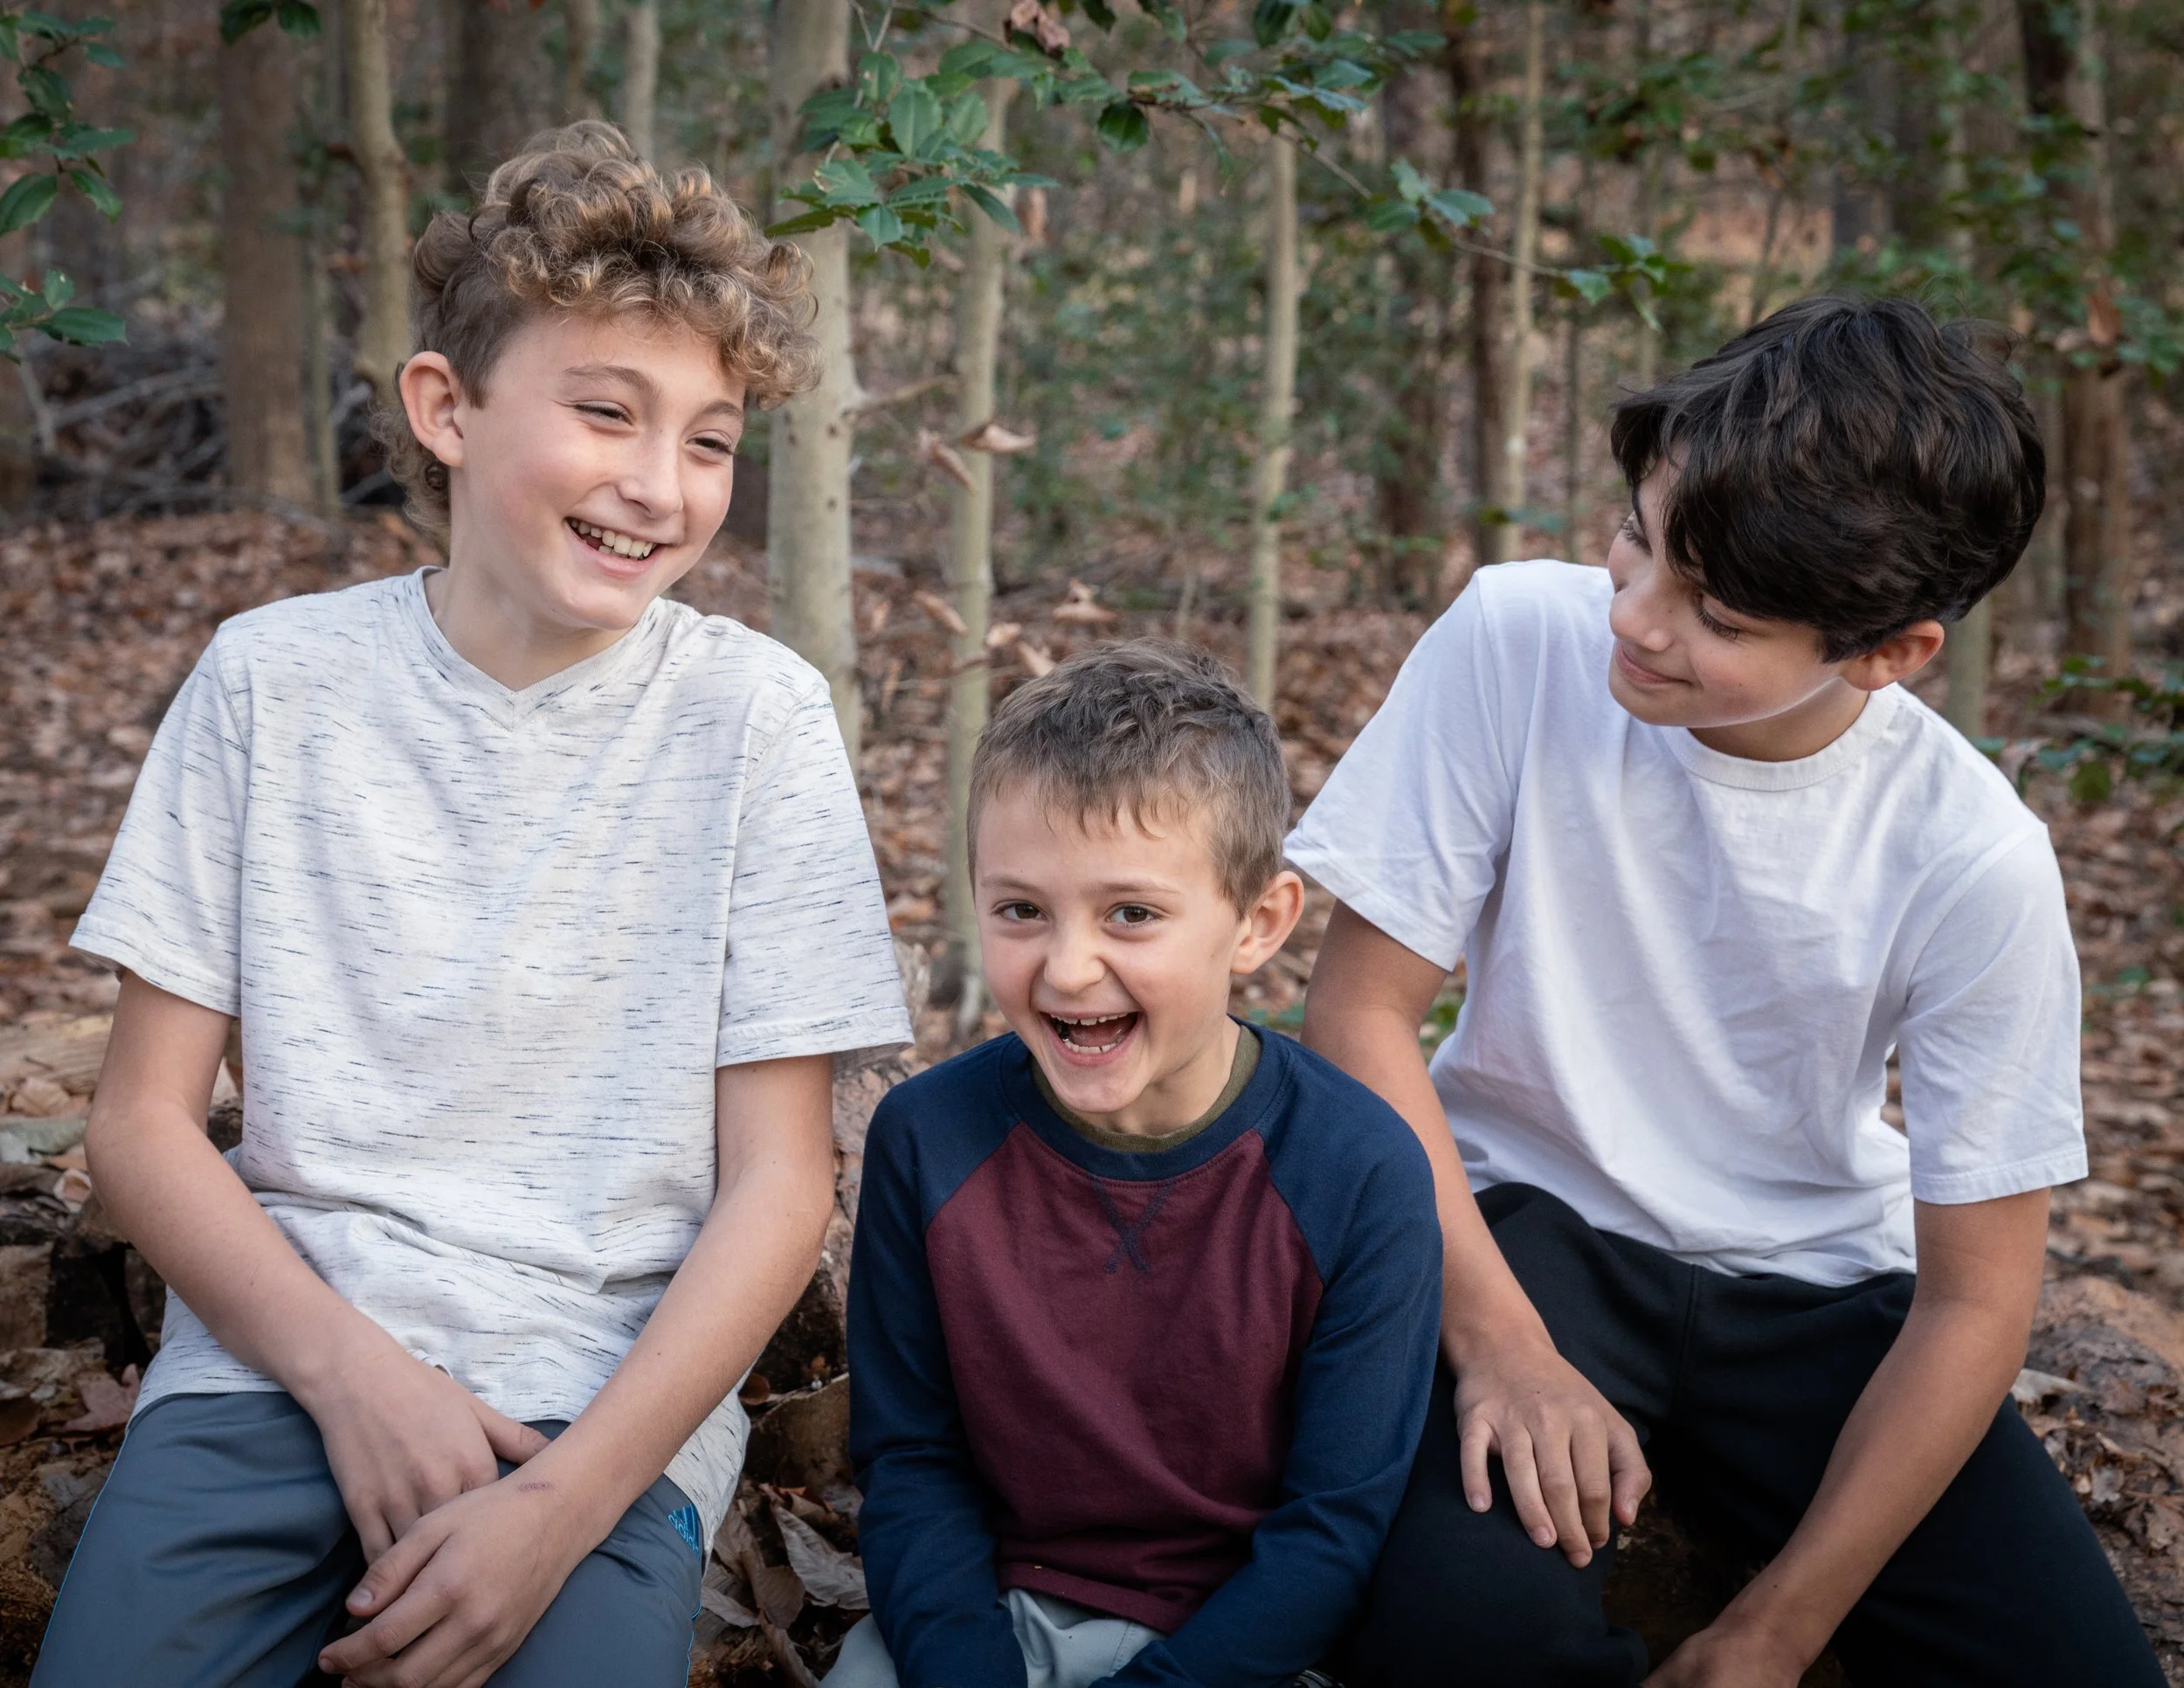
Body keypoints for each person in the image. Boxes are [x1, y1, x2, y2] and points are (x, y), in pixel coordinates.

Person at [34, 123, 909, 1688]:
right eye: (603, 412)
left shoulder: (757, 722)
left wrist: (567, 1506)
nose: (659, 486)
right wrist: (349, 1375)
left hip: (601, 1402)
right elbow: (143, 1122)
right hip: (276, 1364)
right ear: (446, 407)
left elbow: (780, 1185)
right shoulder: (271, 683)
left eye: (709, 440)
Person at [1290, 295, 2164, 1687]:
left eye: (1721, 613)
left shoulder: (1970, 852)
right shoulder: (1520, 639)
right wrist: (1504, 1350)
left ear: (1889, 651)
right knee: (1458, 1634)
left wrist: (1774, 1630)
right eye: (1641, 535)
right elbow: (1355, 1018)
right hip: (1528, 1233)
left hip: (1818, 1296)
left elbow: (1974, 1304)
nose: (1633, 618)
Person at [828, 641, 1442, 1688]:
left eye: (1133, 914)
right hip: (982, 1618)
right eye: (1021, 909)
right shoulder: (928, 1140)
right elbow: (912, 1462)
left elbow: (1332, 1528)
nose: (1068, 968)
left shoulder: (1357, 1168)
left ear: (1257, 923)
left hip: (1245, 1645)